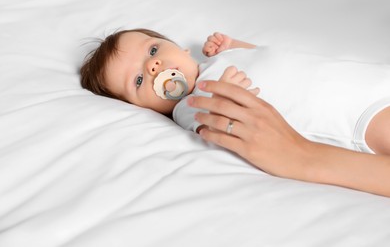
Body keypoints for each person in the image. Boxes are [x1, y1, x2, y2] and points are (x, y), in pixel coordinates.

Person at [80, 28, 390, 197]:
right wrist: (224, 96)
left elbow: (261, 56)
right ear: (144, 109)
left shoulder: (216, 61)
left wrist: (232, 44)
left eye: (153, 50)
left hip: (360, 80)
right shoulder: (189, 107)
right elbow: (215, 131)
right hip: (353, 117)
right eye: (138, 80)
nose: (153, 66)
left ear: (182, 49)